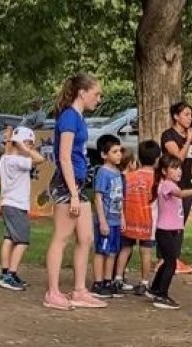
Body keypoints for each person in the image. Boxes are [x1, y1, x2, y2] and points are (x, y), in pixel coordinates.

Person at [44, 73, 106, 310]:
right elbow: (64, 156)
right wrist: (71, 192)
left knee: (86, 238)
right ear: (82, 92)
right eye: (96, 94)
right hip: (66, 185)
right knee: (61, 237)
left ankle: (79, 290)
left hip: (77, 185)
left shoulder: (78, 118)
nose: (98, 99)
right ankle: (53, 292)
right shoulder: (69, 117)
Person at [149, 154, 192, 309]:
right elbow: (181, 194)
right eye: (174, 168)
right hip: (167, 231)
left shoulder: (170, 184)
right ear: (164, 171)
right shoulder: (167, 185)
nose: (179, 171)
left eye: (179, 168)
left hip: (171, 230)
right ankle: (162, 294)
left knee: (167, 261)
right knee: (171, 263)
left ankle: (156, 289)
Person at [0, 126, 44, 291]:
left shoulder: (5, 158)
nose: (31, 147)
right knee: (22, 240)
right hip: (17, 203)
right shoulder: (18, 160)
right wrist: (24, 148)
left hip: (7, 202)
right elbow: (40, 159)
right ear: (22, 143)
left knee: (9, 238)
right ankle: (10, 273)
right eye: (29, 143)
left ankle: (5, 272)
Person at [115, 140, 161, 297]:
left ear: (139, 158)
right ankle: (144, 282)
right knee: (146, 251)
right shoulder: (157, 179)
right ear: (157, 159)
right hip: (148, 221)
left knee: (125, 248)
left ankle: (118, 278)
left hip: (129, 218)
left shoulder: (129, 177)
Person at [90, 135, 124, 299]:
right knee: (101, 251)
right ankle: (97, 282)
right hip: (105, 219)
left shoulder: (118, 173)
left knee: (112, 252)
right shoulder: (103, 172)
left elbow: (120, 198)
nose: (119, 155)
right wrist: (102, 220)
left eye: (120, 151)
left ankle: (107, 280)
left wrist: (122, 217)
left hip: (116, 219)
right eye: (115, 151)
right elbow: (98, 197)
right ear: (104, 155)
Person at [160, 101, 192, 224]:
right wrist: (188, 140)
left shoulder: (190, 136)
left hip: (186, 185)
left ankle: (178, 243)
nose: (190, 118)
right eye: (186, 114)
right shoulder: (168, 135)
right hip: (172, 186)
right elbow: (178, 159)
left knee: (181, 223)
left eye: (191, 115)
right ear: (176, 116)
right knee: (171, 222)